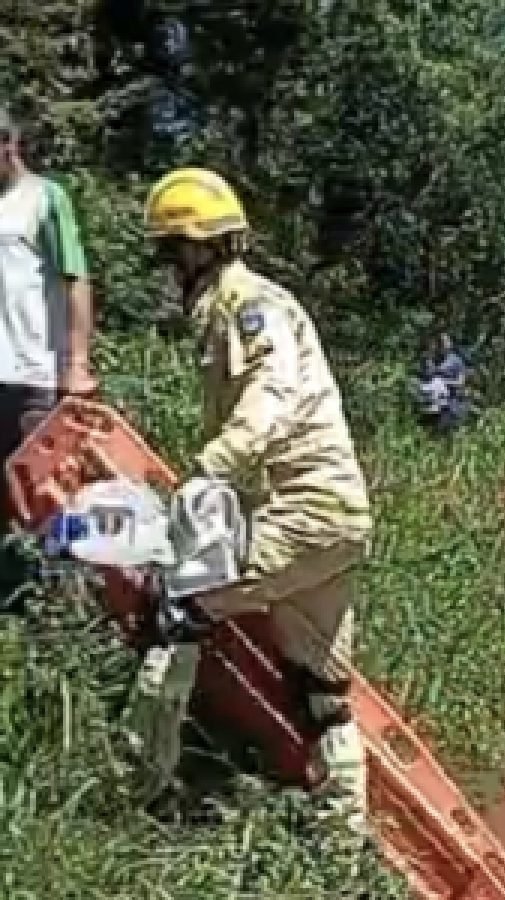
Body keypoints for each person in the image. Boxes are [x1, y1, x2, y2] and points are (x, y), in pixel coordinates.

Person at [129, 167, 373, 833]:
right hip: (335, 519)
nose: (165, 268)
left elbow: (272, 396)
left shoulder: (248, 306)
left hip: (301, 511)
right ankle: (344, 847)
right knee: (321, 693)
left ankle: (140, 793)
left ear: (199, 249)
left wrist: (208, 471)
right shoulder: (248, 304)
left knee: (178, 608)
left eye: (168, 252)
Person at [0, 106, 96, 612]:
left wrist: (76, 362)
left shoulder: (44, 199)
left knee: (46, 501)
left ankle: (63, 613)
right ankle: (15, 612)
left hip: (33, 373)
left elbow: (75, 278)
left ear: (7, 145)